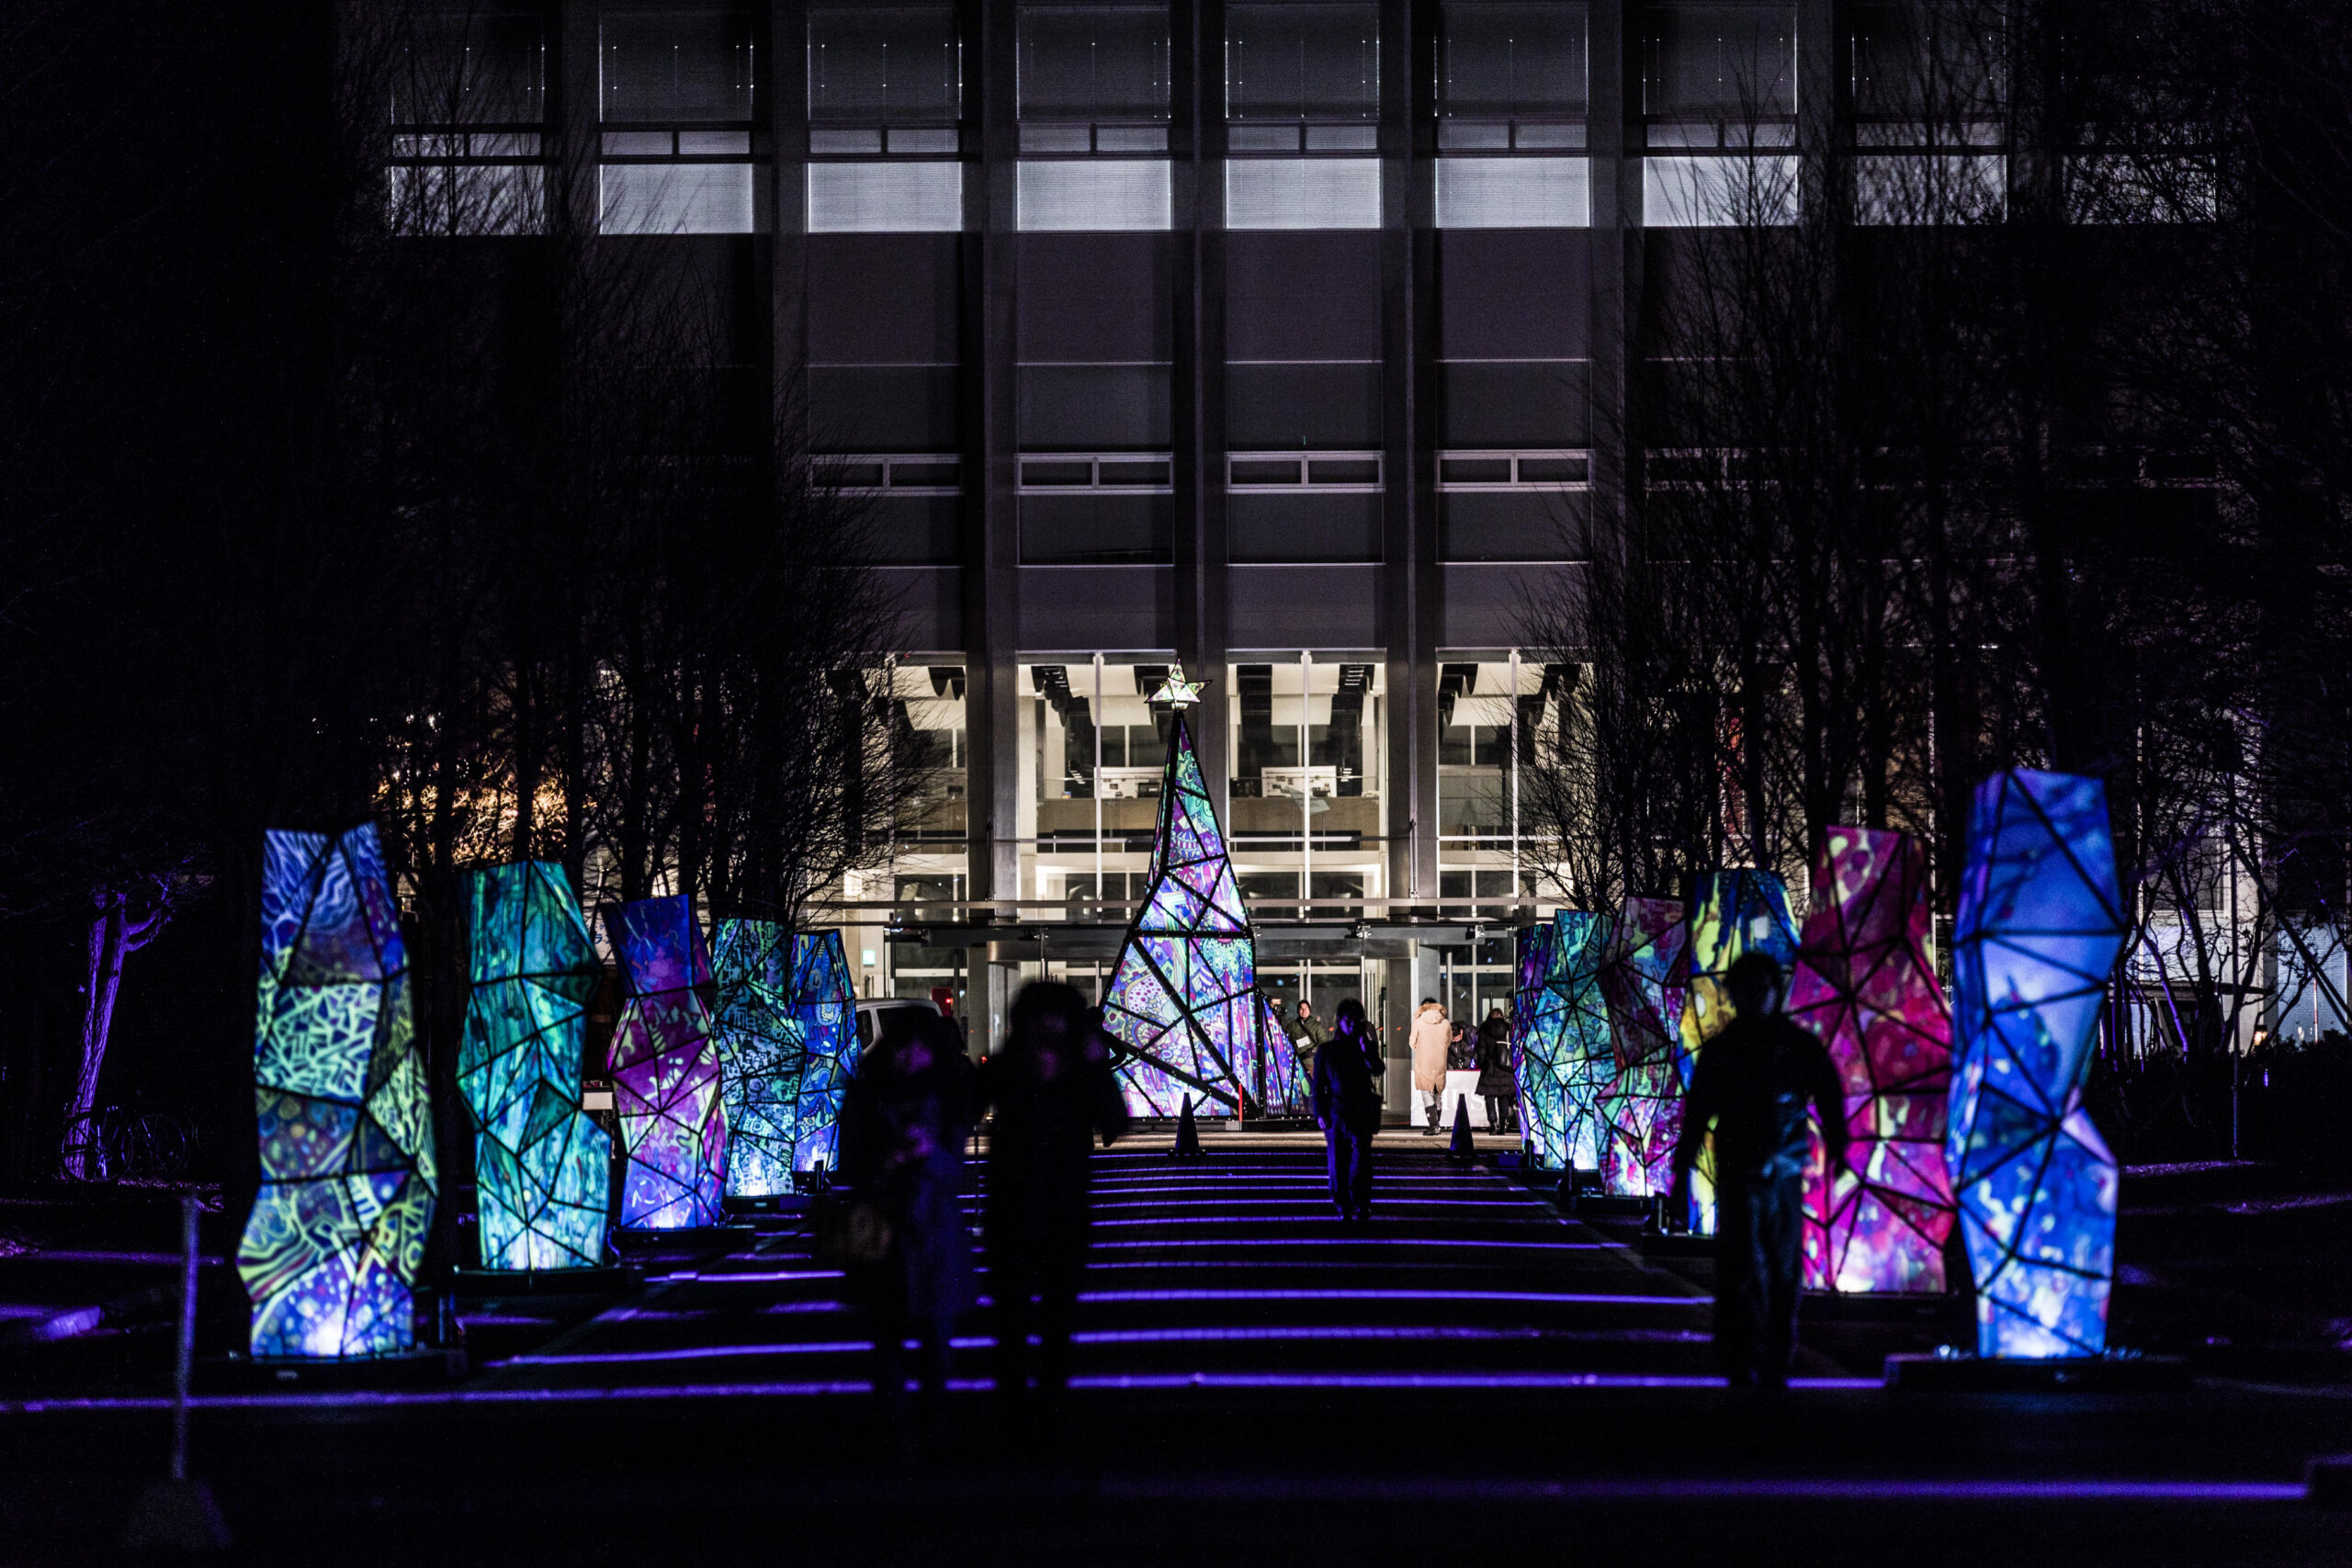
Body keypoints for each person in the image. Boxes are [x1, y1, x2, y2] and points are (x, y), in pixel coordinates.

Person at [1669, 952, 1849, 1390]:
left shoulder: (1788, 1045)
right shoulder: (1728, 1050)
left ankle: (1771, 1355)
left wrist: (1840, 1146)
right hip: (1743, 1171)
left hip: (1780, 1172)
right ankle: (1744, 1355)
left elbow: (1827, 1091)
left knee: (1780, 1269)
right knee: (1741, 1267)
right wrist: (1680, 1173)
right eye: (1745, 990)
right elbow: (1697, 1116)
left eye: (1759, 989)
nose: (1752, 998)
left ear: (1774, 992)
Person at [979, 980, 1131, 1424]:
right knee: (1014, 1323)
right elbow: (964, 1103)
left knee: (1053, 1322)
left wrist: (1096, 1064)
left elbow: (1115, 1120)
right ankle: (1019, 1410)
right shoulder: (1011, 1068)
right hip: (1017, 1216)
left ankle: (1044, 1408)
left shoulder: (1078, 1070)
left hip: (1059, 1215)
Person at [836, 1010, 977, 1454]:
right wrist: (887, 1163)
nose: (907, 1055)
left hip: (933, 1232)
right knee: (887, 1339)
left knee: (935, 1339)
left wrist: (929, 1152)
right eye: (901, 1044)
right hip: (882, 1235)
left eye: (917, 1046)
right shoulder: (864, 1097)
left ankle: (932, 1423)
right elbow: (851, 1167)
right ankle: (896, 1429)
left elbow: (958, 1171)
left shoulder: (947, 1096)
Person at [1311, 998, 1383, 1221]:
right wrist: (1320, 1112)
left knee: (1362, 1159)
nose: (1351, 1025)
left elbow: (1378, 1069)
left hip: (1360, 1108)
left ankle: (1360, 1203)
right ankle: (1344, 1204)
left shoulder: (1364, 1046)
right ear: (1339, 1021)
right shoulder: (1327, 1050)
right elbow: (1318, 1084)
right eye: (1347, 1020)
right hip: (1337, 1109)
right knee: (1338, 1159)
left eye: (1355, 1020)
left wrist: (1366, 1050)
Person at [1409, 998, 1451, 1134]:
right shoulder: (1445, 1023)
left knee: (1426, 1092)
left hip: (1424, 1061)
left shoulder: (1419, 1022)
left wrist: (1421, 1047)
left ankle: (1434, 1125)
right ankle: (1437, 1122)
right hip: (1440, 1061)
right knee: (1438, 1092)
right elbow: (1448, 1041)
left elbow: (1412, 1042)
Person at [1475, 1006, 1515, 1134]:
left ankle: (1493, 1122)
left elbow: (1481, 1050)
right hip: (1505, 1069)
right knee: (1503, 1097)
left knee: (1489, 1097)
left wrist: (1481, 1064)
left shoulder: (1484, 1030)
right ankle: (1504, 1123)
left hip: (1490, 1068)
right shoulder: (1508, 1029)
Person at [1292, 998, 1331, 1085]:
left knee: (1310, 1088)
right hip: (1296, 1065)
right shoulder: (1292, 1026)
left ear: (1309, 1010)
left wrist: (1313, 1051)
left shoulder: (1316, 1026)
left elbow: (1323, 1041)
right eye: (1301, 1008)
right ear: (1298, 1011)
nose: (1304, 1010)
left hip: (1311, 1064)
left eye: (1306, 1008)